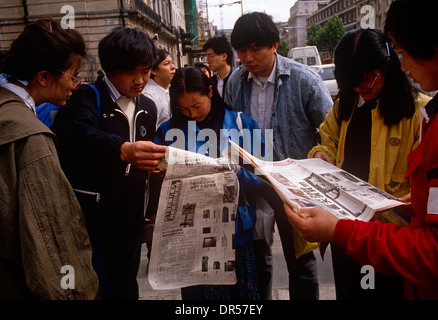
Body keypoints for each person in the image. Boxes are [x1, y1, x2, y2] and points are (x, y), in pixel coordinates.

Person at [286, 0, 438, 300]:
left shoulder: (418, 113)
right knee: (352, 290)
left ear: (387, 64)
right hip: (346, 230)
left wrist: (411, 199)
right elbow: (326, 139)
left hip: (392, 237)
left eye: (368, 80)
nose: (361, 89)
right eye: (353, 84)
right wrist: (319, 154)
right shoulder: (346, 106)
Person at [52, 26, 167, 300]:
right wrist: (123, 150)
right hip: (93, 221)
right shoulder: (86, 97)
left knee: (127, 285)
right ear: (111, 69)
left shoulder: (148, 108)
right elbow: (78, 136)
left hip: (131, 221)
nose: (140, 80)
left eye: (146, 70)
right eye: (131, 72)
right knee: (97, 288)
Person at [224, 11, 333, 300]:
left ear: (274, 45)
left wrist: (322, 155)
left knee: (301, 261)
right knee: (258, 257)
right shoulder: (235, 82)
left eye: (255, 48)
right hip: (251, 180)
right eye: (241, 50)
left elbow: (329, 130)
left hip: (292, 185)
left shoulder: (304, 81)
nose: (247, 57)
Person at [0, 17, 99, 299]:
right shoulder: (30, 137)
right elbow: (52, 234)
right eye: (73, 76)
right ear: (43, 77)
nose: (76, 85)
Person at [155, 66, 268, 300]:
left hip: (236, 233)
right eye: (184, 108)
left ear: (210, 92)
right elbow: (158, 179)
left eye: (197, 106)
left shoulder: (241, 124)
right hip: (190, 237)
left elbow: (264, 177)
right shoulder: (167, 132)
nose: (192, 114)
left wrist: (234, 172)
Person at [143, 49, 176, 129]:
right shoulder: (148, 95)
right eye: (166, 64)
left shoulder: (171, 88)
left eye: (172, 63)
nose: (173, 67)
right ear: (153, 70)